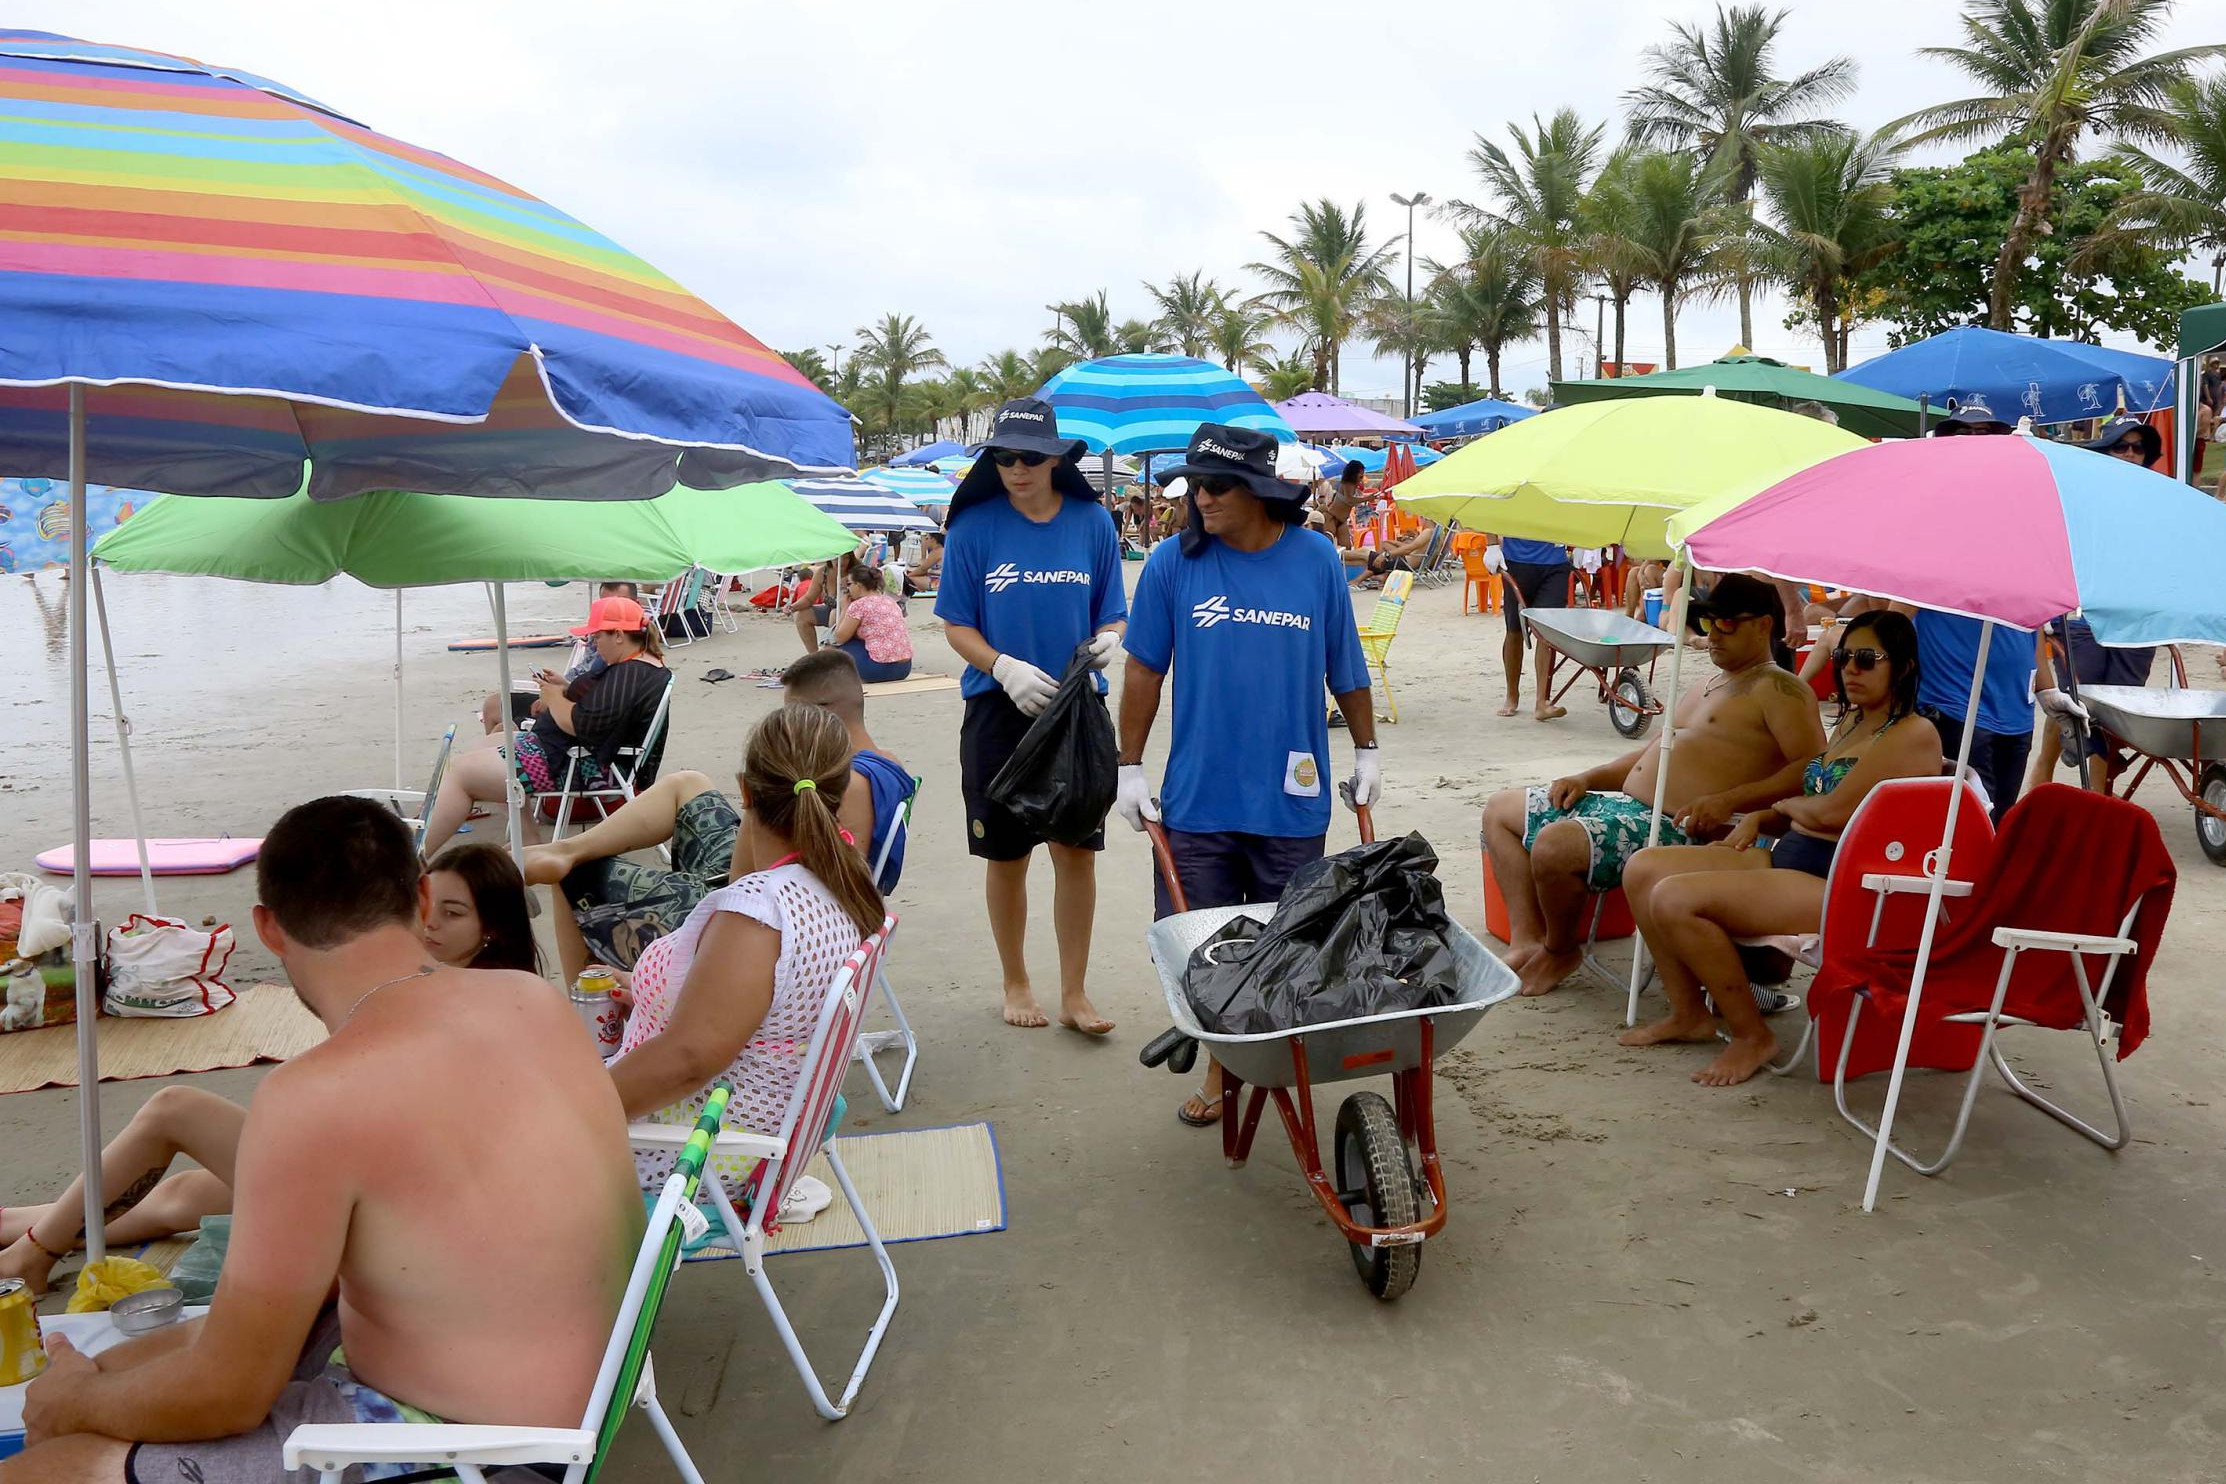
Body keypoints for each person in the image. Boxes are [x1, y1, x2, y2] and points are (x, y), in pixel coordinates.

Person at [9, 797, 638, 1479]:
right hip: (596, 1394)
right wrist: (94, 1385)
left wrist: (76, 1406)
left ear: (268, 930)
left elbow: (230, 1394)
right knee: (117, 1366)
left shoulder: (313, 1097)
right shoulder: (533, 999)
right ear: (423, 898)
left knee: (57, 1458)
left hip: (480, 1451)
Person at [0, 835, 546, 1295]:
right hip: (392, 1180)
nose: (432, 926)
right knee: (185, 1196)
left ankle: (35, 1252)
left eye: (455, 914)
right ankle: (19, 1227)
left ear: (492, 926)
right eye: (429, 909)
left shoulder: (464, 997)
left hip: (401, 1201)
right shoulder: (502, 992)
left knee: (175, 1110)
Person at [1115, 425, 1379, 1127]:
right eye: (1194, 484)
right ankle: (1219, 1062)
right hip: (1199, 798)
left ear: (1260, 490)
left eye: (1215, 485)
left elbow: (1344, 663)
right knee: (1203, 946)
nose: (1200, 497)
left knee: (1285, 944)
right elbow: (1143, 668)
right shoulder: (1173, 564)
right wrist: (1129, 766)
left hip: (1292, 801)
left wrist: (1368, 751)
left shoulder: (1317, 559)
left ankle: (1266, 1058)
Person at [1619, 612, 1943, 1085]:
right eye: (1843, 657)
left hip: (1841, 883)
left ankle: (1753, 1035)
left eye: (1867, 659)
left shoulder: (1914, 734)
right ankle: (1690, 1013)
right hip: (1796, 854)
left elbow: (1832, 812)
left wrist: (1785, 807)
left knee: (1675, 899)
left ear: (1905, 667)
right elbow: (1813, 805)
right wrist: (1765, 815)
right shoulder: (1854, 722)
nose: (1850, 669)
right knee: (1643, 868)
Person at [1481, 574, 1827, 998]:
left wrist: (1730, 800)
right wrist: (1588, 778)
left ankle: (1559, 948)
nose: (1713, 635)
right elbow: (1656, 753)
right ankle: (1526, 939)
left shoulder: (1781, 689)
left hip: (1680, 826)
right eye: (1707, 624)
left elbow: (1812, 768)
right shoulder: (1710, 683)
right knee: (1500, 810)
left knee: (1555, 844)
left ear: (1763, 625)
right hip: (1631, 809)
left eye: (1727, 625)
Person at [606, 704, 883, 1193]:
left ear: (746, 791)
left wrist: (568, 1111)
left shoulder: (759, 917)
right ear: (840, 793)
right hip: (746, 1120)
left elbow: (688, 1060)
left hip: (691, 1151)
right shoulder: (838, 879)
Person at [528, 649, 910, 984]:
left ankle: (592, 1023)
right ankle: (565, 848)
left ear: (817, 716)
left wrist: (755, 806)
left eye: (788, 713)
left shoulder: (843, 786)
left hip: (762, 916)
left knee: (575, 878)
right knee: (688, 783)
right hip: (775, 886)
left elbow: (752, 884)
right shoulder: (885, 762)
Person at [934, 398, 1126, 1036]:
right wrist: (1002, 668)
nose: (1017, 468)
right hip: (998, 708)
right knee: (1007, 854)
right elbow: (956, 624)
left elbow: (1112, 610)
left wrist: (1109, 639)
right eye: (1005, 456)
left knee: (1077, 852)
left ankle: (1074, 991)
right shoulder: (973, 528)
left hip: (1076, 712)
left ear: (1057, 460)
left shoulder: (1093, 523)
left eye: (1031, 457)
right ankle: (1016, 979)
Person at [421, 594, 670, 857]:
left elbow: (580, 725)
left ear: (619, 635)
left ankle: (416, 861)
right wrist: (564, 688)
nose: (594, 644)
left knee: (461, 773)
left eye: (597, 637)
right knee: (493, 741)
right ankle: (527, 837)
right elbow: (600, 711)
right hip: (569, 753)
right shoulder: (638, 666)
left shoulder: (628, 674)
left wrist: (553, 698)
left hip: (575, 765)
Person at [478, 581, 639, 734]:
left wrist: (555, 698)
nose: (610, 612)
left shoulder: (623, 665)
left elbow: (589, 715)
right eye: (606, 605)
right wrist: (562, 685)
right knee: (495, 708)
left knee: (503, 730)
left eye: (620, 604)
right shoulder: (616, 653)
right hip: (569, 705)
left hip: (565, 729)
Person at [422, 841, 542, 973]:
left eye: (452, 912)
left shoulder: (493, 989)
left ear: (493, 926)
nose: (429, 922)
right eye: (425, 904)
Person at [1496, 533, 1575, 720]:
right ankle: (1512, 695)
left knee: (1545, 632)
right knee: (1514, 631)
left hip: (1555, 563)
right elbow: (1490, 507)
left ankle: (1542, 702)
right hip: (1517, 561)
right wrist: (1491, 545)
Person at [808, 563, 914, 682]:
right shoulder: (890, 601)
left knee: (833, 645)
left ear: (858, 585)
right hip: (904, 668)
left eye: (849, 584)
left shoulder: (859, 605)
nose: (848, 589)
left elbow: (839, 637)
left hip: (877, 670)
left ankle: (818, 675)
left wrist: (844, 609)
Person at [904, 531, 944, 597]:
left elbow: (923, 569)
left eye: (927, 538)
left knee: (907, 580)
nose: (924, 541)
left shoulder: (937, 552)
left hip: (939, 581)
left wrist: (908, 576)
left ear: (933, 539)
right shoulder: (939, 550)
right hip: (940, 578)